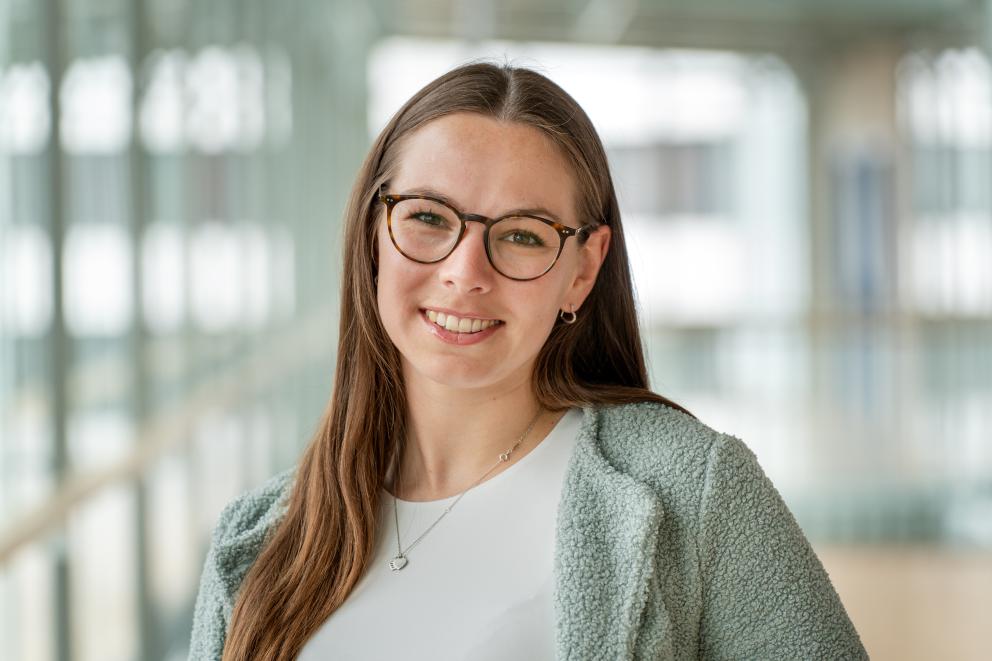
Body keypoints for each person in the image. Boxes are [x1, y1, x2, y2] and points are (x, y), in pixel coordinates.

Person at [188, 62, 867, 660]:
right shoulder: (258, 538)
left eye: (521, 235)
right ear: (374, 235)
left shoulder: (696, 491)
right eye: (428, 217)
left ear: (582, 270)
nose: (465, 272)